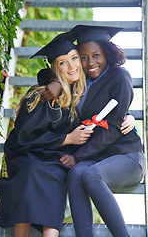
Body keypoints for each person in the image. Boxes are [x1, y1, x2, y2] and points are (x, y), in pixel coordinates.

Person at [0, 35, 93, 237]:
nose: (71, 66)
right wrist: (67, 139)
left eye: (74, 58)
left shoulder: (82, 94)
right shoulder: (42, 94)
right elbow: (24, 138)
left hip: (55, 160)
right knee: (31, 171)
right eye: (62, 62)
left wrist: (124, 115)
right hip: (26, 155)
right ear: (55, 68)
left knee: (56, 175)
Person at [60, 25, 145, 237]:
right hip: (98, 156)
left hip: (126, 155)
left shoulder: (120, 77)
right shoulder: (80, 83)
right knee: (76, 174)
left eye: (96, 55)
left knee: (90, 175)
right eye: (84, 57)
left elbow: (116, 126)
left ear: (107, 53)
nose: (90, 63)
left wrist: (78, 156)